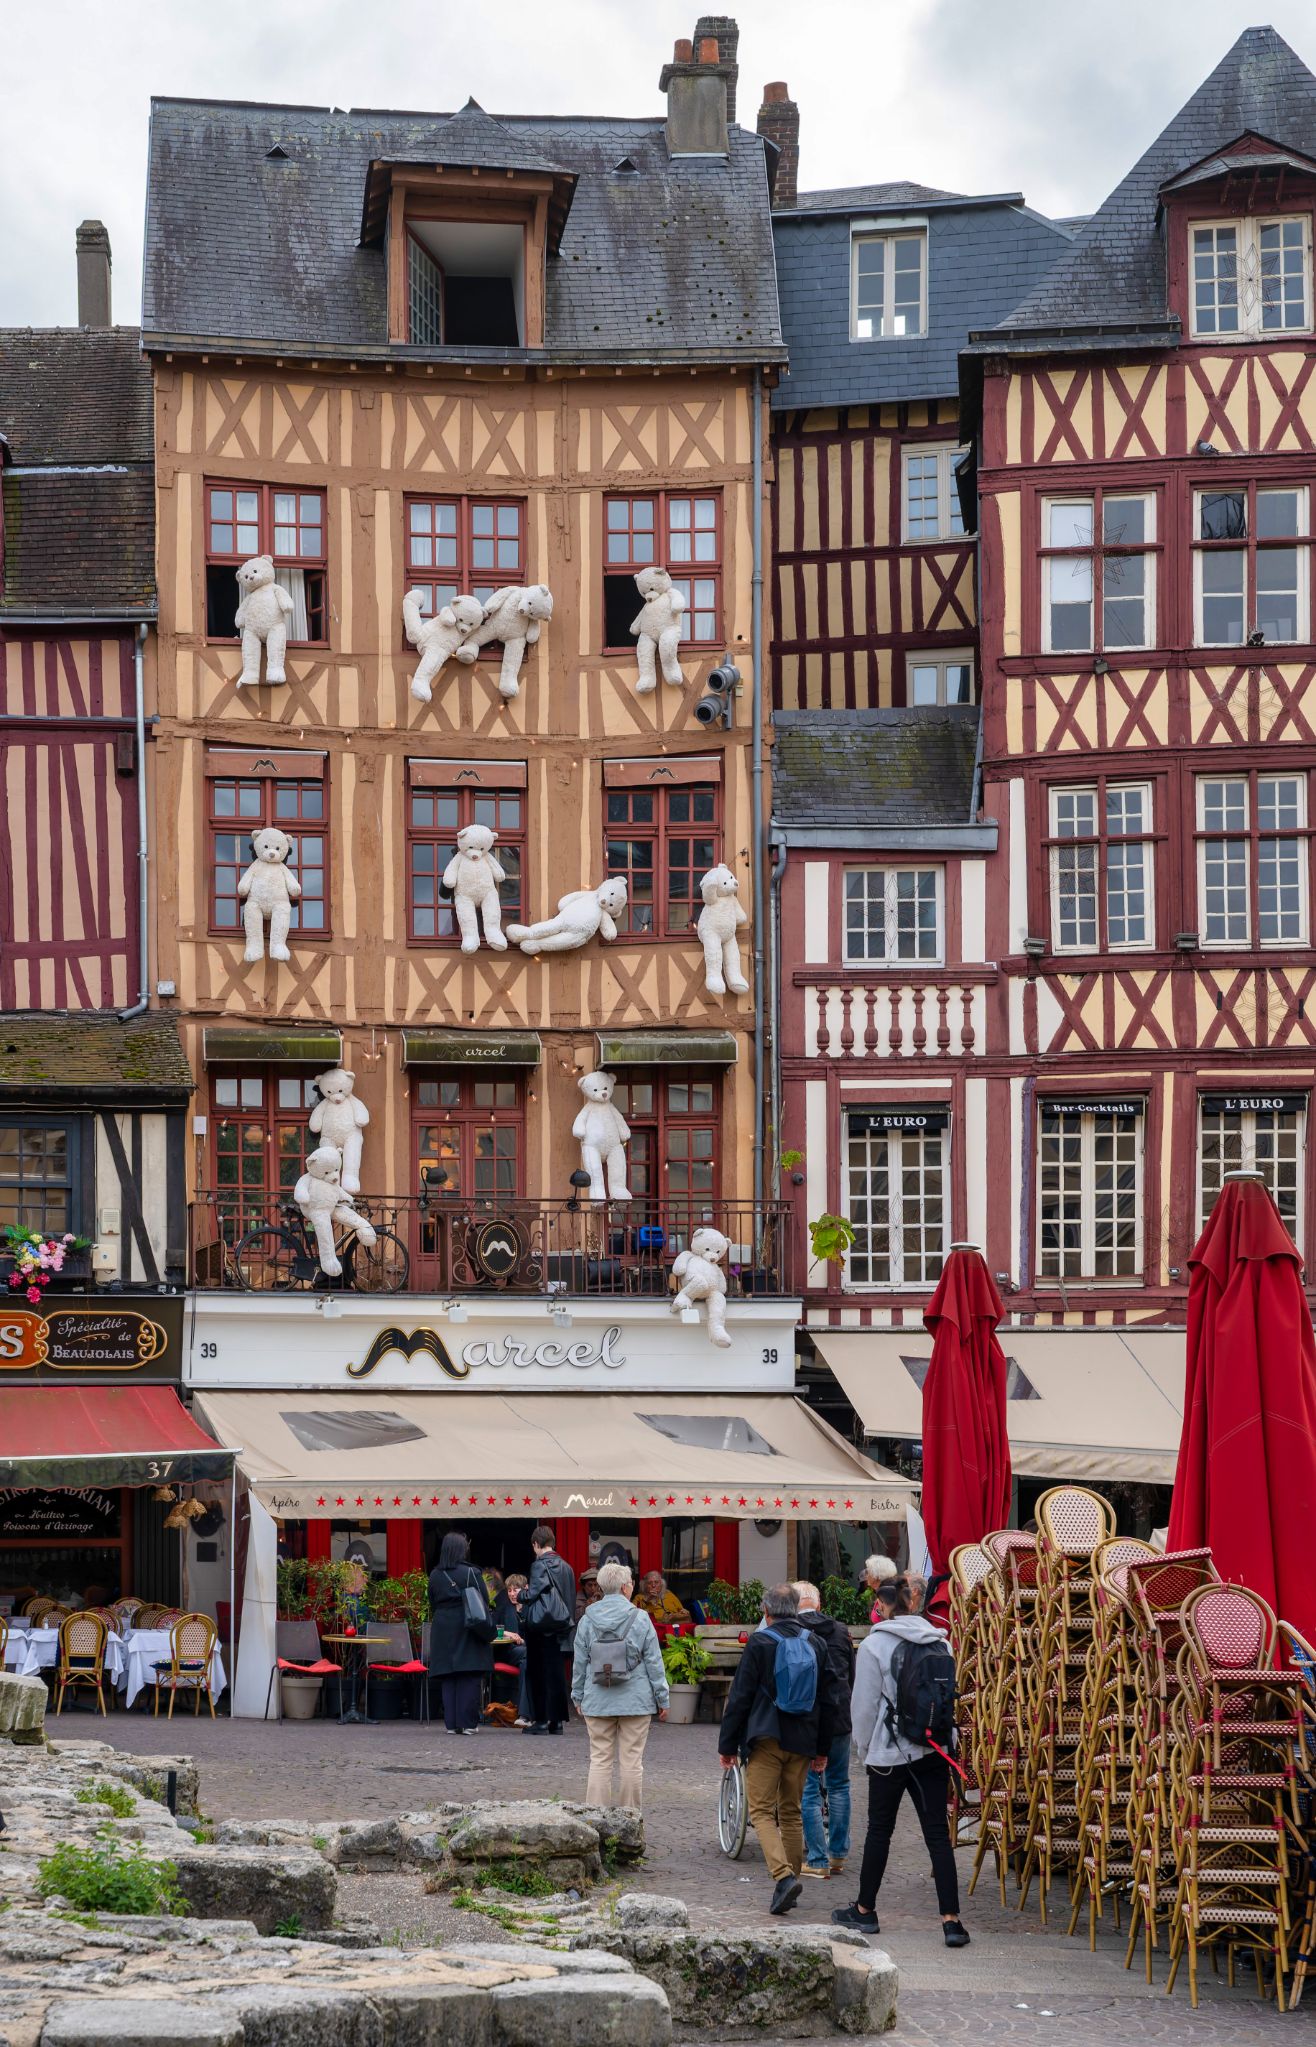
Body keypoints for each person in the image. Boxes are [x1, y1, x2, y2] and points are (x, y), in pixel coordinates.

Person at [831, 1578, 970, 1947]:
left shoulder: (874, 1644)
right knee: (937, 1834)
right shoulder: (941, 1642)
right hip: (932, 1748)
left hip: (888, 1753)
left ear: (883, 1603)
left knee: (879, 1831)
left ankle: (865, 1910)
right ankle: (952, 1921)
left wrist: (864, 1748)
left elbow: (863, 1706)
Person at [718, 1582, 839, 1917]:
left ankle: (784, 1878)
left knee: (760, 1811)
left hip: (766, 1736)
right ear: (796, 1609)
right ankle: (791, 1882)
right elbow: (830, 1701)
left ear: (766, 1610)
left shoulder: (760, 1642)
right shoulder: (816, 1642)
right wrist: (822, 1749)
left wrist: (727, 1745)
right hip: (803, 1740)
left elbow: (740, 1697)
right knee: (791, 1811)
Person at [570, 1560, 669, 1809]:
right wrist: (662, 1698)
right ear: (626, 1587)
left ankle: (595, 1818)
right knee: (632, 1762)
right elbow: (654, 1662)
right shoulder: (641, 1618)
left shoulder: (587, 1619)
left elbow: (579, 1662)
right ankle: (630, 1820)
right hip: (635, 1699)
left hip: (597, 1697)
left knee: (599, 1760)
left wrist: (578, 1695)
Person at [795, 1579, 856, 1879]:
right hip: (840, 1716)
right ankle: (838, 1854)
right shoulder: (841, 1630)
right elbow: (851, 1675)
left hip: (807, 1719)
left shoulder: (793, 1631)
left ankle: (817, 1859)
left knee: (809, 1789)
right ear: (819, 1604)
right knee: (839, 1784)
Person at [427, 1531, 497, 1734]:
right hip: (467, 1624)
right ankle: (468, 1723)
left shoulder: (435, 1574)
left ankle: (452, 1724)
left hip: (442, 1626)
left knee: (448, 1675)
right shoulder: (471, 1572)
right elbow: (483, 1600)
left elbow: (432, 1601)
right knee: (469, 1673)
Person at [520, 1524, 576, 1735]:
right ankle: (557, 1722)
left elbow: (533, 1594)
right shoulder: (567, 1568)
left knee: (538, 1673)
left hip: (541, 1628)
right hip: (561, 1628)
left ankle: (541, 1721)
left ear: (536, 1544)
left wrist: (521, 1595)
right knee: (557, 1675)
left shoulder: (539, 1565)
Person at [863, 1554, 898, 1625]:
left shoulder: (889, 1595)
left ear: (876, 1576)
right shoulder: (881, 1593)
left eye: (868, 1572)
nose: (866, 1575)